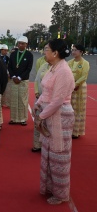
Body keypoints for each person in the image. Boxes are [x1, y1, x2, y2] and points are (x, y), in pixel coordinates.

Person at [33, 39, 74, 205]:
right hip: (49, 113)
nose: (44, 52)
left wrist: (41, 116)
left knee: (59, 156)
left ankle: (61, 193)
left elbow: (57, 100)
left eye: (46, 49)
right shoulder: (52, 67)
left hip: (60, 116)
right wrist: (38, 104)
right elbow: (46, 91)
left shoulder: (63, 71)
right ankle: (50, 187)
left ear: (55, 53)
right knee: (49, 153)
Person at [8, 36, 33, 125]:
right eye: (19, 43)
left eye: (22, 43)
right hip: (14, 79)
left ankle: (22, 119)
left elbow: (28, 68)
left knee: (22, 100)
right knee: (14, 99)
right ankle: (13, 118)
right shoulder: (13, 54)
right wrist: (14, 76)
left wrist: (20, 77)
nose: (20, 45)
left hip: (23, 80)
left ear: (26, 44)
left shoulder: (29, 55)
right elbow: (9, 66)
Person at [68, 44, 90, 139]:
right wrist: (71, 84)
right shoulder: (69, 62)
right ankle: (68, 129)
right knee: (70, 108)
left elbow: (84, 76)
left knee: (79, 109)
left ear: (81, 52)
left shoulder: (85, 63)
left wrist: (76, 84)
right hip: (70, 88)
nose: (73, 52)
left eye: (76, 50)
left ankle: (76, 131)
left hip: (80, 88)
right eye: (72, 50)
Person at [32, 60, 50, 152]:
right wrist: (36, 92)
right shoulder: (43, 65)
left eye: (48, 50)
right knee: (37, 122)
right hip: (39, 98)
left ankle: (47, 146)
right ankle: (37, 145)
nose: (45, 53)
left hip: (51, 101)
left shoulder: (61, 68)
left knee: (48, 124)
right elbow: (36, 80)